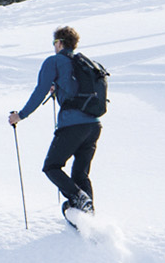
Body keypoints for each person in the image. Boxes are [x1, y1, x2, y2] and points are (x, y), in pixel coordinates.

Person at [7, 25, 100, 217]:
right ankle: (88, 216)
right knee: (80, 174)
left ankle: (78, 199)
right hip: (94, 125)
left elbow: (40, 91)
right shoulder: (83, 63)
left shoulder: (55, 61)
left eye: (54, 43)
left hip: (72, 125)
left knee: (51, 166)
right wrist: (58, 90)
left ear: (59, 43)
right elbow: (75, 90)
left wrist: (21, 115)